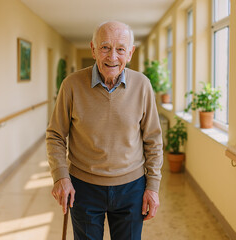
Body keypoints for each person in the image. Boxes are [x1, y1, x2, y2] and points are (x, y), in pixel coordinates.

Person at [46, 21, 163, 240]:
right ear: (93, 49)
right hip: (83, 188)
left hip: (132, 188)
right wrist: (60, 177)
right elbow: (55, 135)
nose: (112, 56)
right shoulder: (71, 85)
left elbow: (153, 140)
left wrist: (153, 187)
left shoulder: (142, 85)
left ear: (130, 52)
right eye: (105, 47)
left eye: (120, 49)